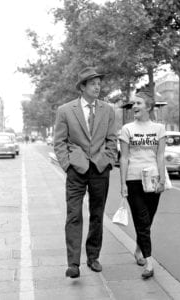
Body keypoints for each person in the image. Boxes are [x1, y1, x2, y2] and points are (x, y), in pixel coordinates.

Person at [54, 66, 117, 279]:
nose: (98, 87)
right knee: (73, 215)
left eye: (99, 84)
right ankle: (73, 263)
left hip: (100, 169)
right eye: (93, 84)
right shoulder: (65, 110)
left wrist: (108, 160)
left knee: (97, 215)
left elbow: (112, 139)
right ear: (82, 87)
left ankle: (93, 257)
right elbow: (59, 141)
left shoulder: (108, 110)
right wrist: (67, 165)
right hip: (76, 169)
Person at [119, 89, 166, 279]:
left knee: (148, 220)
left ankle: (139, 249)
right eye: (133, 103)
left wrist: (162, 179)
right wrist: (123, 184)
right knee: (142, 220)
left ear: (148, 107)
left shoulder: (159, 129)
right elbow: (123, 158)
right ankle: (149, 263)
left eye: (138, 103)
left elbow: (160, 155)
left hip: (153, 179)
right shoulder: (127, 129)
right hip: (133, 180)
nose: (134, 107)